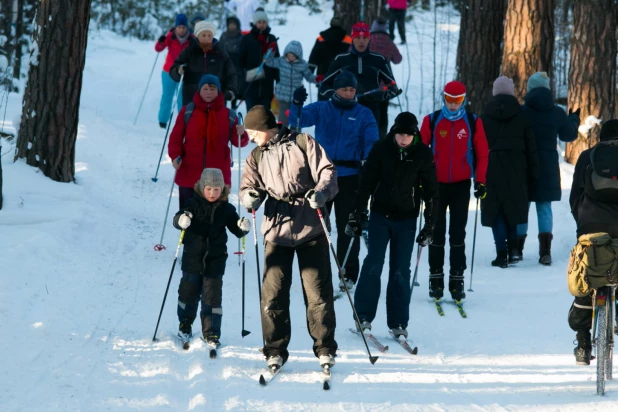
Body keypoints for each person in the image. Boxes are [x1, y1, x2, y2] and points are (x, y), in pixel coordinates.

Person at [239, 105, 339, 370]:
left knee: (317, 293)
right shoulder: (256, 156)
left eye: (252, 132)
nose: (250, 138)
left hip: (310, 226)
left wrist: (321, 192)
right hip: (276, 228)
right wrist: (249, 196)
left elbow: (328, 171)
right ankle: (274, 348)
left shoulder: (303, 143)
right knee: (273, 295)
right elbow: (248, 186)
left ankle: (325, 347)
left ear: (264, 127)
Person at [346, 112, 438, 337]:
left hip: (407, 218)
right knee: (373, 264)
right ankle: (363, 316)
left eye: (408, 134)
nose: (404, 138)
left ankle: (398, 322)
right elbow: (366, 182)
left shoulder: (423, 154)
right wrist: (357, 213)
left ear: (414, 134)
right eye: (400, 134)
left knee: (400, 270)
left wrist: (430, 224)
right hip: (380, 215)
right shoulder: (381, 148)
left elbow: (432, 192)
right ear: (394, 132)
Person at [289, 72, 378, 290]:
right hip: (322, 176)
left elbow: (372, 140)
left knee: (348, 225)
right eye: (344, 89)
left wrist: (368, 158)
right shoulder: (322, 108)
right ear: (336, 89)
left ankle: (347, 272)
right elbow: (297, 120)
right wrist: (297, 103)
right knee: (316, 225)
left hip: (349, 177)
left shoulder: (363, 114)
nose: (348, 93)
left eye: (352, 90)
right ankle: (314, 271)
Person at [419, 80, 488, 301]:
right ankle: (435, 277)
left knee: (458, 233)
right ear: (444, 98)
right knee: (436, 232)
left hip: (460, 185)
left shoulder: (472, 121)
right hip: (436, 185)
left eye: (457, 100)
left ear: (463, 100)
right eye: (449, 99)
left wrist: (481, 181)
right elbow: (420, 152)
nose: (452, 104)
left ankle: (457, 278)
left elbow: (483, 153)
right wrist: (420, 179)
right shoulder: (431, 120)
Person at [174, 168, 250, 346]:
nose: (213, 193)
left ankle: (212, 333)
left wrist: (242, 226)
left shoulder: (227, 209)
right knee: (188, 294)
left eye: (217, 189)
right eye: (209, 189)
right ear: (202, 187)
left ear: (222, 189)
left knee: (212, 298)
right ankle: (185, 324)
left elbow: (236, 230)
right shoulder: (191, 204)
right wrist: (181, 220)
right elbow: (178, 218)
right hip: (192, 259)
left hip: (215, 261)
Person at [567, 120, 618, 365]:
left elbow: (575, 196)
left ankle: (583, 344)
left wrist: (582, 225)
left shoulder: (589, 157)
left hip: (591, 227)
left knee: (585, 279)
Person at [517, 71, 580, 265]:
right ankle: (545, 251)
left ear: (529, 89)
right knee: (544, 207)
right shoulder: (556, 112)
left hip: (524, 164)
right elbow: (568, 136)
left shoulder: (521, 111)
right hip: (548, 166)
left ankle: (516, 249)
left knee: (522, 207)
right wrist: (574, 120)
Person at [480, 76, 539, 268]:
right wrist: (533, 173)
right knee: (512, 208)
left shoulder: (484, 116)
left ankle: (501, 253)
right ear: (512, 92)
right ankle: (514, 250)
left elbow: (477, 146)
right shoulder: (522, 116)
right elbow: (531, 148)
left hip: (492, 168)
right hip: (517, 168)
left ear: (494, 92)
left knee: (496, 210)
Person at [168, 74, 249, 209]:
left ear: (218, 91)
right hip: (190, 176)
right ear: (199, 90)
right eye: (205, 89)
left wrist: (242, 134)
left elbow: (239, 142)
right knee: (188, 219)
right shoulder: (187, 111)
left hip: (217, 180)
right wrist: (175, 155)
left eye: (212, 89)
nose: (209, 92)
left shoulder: (228, 115)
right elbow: (175, 138)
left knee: (216, 221)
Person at [319, 21, 400, 130]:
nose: (361, 41)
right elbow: (324, 87)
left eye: (365, 38)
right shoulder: (341, 59)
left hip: (371, 113)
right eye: (357, 38)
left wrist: (381, 95)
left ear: (369, 39)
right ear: (352, 38)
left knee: (370, 145)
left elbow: (393, 87)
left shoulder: (379, 59)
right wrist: (337, 96)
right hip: (345, 112)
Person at [170, 21, 238, 106]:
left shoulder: (220, 52)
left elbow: (231, 73)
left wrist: (231, 90)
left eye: (209, 35)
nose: (207, 38)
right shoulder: (189, 51)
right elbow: (174, 70)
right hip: (192, 99)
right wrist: (178, 70)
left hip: (216, 100)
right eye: (203, 35)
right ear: (197, 36)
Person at [155, 13, 194, 128]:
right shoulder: (170, 36)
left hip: (183, 73)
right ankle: (162, 121)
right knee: (167, 96)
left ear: (186, 27)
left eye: (183, 27)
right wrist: (161, 41)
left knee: (182, 98)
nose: (181, 30)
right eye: (179, 27)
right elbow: (158, 49)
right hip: (168, 72)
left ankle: (183, 122)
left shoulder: (191, 39)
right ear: (176, 27)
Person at [264, 40, 315, 126]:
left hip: (297, 98)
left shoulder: (302, 65)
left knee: (297, 120)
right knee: (283, 121)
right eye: (288, 55)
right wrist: (271, 51)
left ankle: (296, 137)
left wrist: (317, 79)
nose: (290, 57)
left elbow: (309, 77)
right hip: (283, 96)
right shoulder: (281, 61)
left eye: (293, 56)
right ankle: (282, 136)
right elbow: (269, 62)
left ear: (298, 56)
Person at [238, 9, 280, 111]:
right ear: (255, 23)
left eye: (264, 22)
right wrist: (241, 81)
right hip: (251, 84)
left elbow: (277, 61)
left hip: (267, 84)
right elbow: (239, 61)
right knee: (252, 115)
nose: (262, 25)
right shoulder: (247, 39)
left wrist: (278, 79)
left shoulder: (271, 39)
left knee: (265, 116)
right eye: (259, 22)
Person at [369, 16, 402, 138]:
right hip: (385, 85)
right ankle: (382, 138)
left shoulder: (367, 40)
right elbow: (398, 59)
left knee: (368, 112)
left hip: (368, 85)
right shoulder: (389, 42)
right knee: (383, 113)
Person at [219, 16, 245, 107]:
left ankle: (234, 108)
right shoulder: (223, 36)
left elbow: (244, 53)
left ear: (237, 25)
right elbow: (219, 50)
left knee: (235, 89)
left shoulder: (242, 38)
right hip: (225, 67)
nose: (232, 26)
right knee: (224, 89)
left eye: (234, 24)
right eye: (230, 24)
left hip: (237, 67)